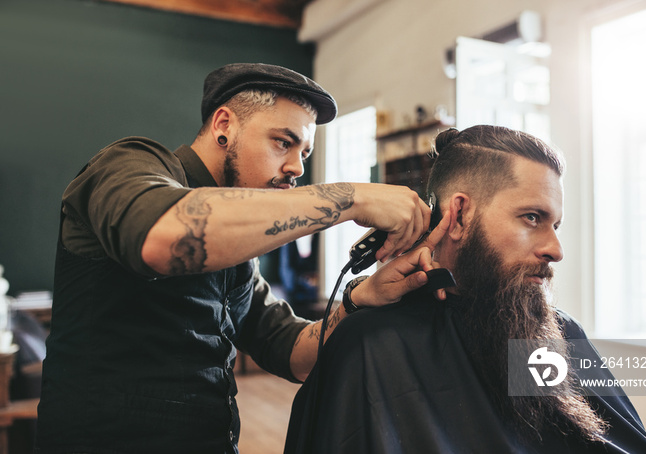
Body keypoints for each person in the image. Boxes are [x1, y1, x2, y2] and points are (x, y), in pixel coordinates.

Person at [35, 63, 438, 453]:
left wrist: (358, 298)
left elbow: (291, 350)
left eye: (305, 151)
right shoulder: (128, 163)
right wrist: (351, 197)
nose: (297, 166)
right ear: (224, 125)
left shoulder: (240, 256)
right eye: (284, 141)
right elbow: (164, 237)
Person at [284, 125, 646, 454]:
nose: (555, 250)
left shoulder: (559, 335)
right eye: (532, 218)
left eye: (556, 225)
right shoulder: (370, 344)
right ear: (460, 214)